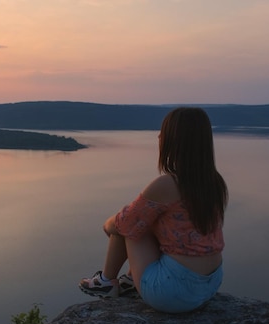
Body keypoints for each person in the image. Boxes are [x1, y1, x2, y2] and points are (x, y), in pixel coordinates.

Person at [79, 107, 228, 313]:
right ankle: (130, 281)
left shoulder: (167, 184)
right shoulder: (215, 182)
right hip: (210, 283)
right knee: (149, 221)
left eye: (163, 133)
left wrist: (107, 224)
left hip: (173, 291)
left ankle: (106, 281)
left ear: (174, 141)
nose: (159, 136)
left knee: (130, 225)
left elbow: (125, 224)